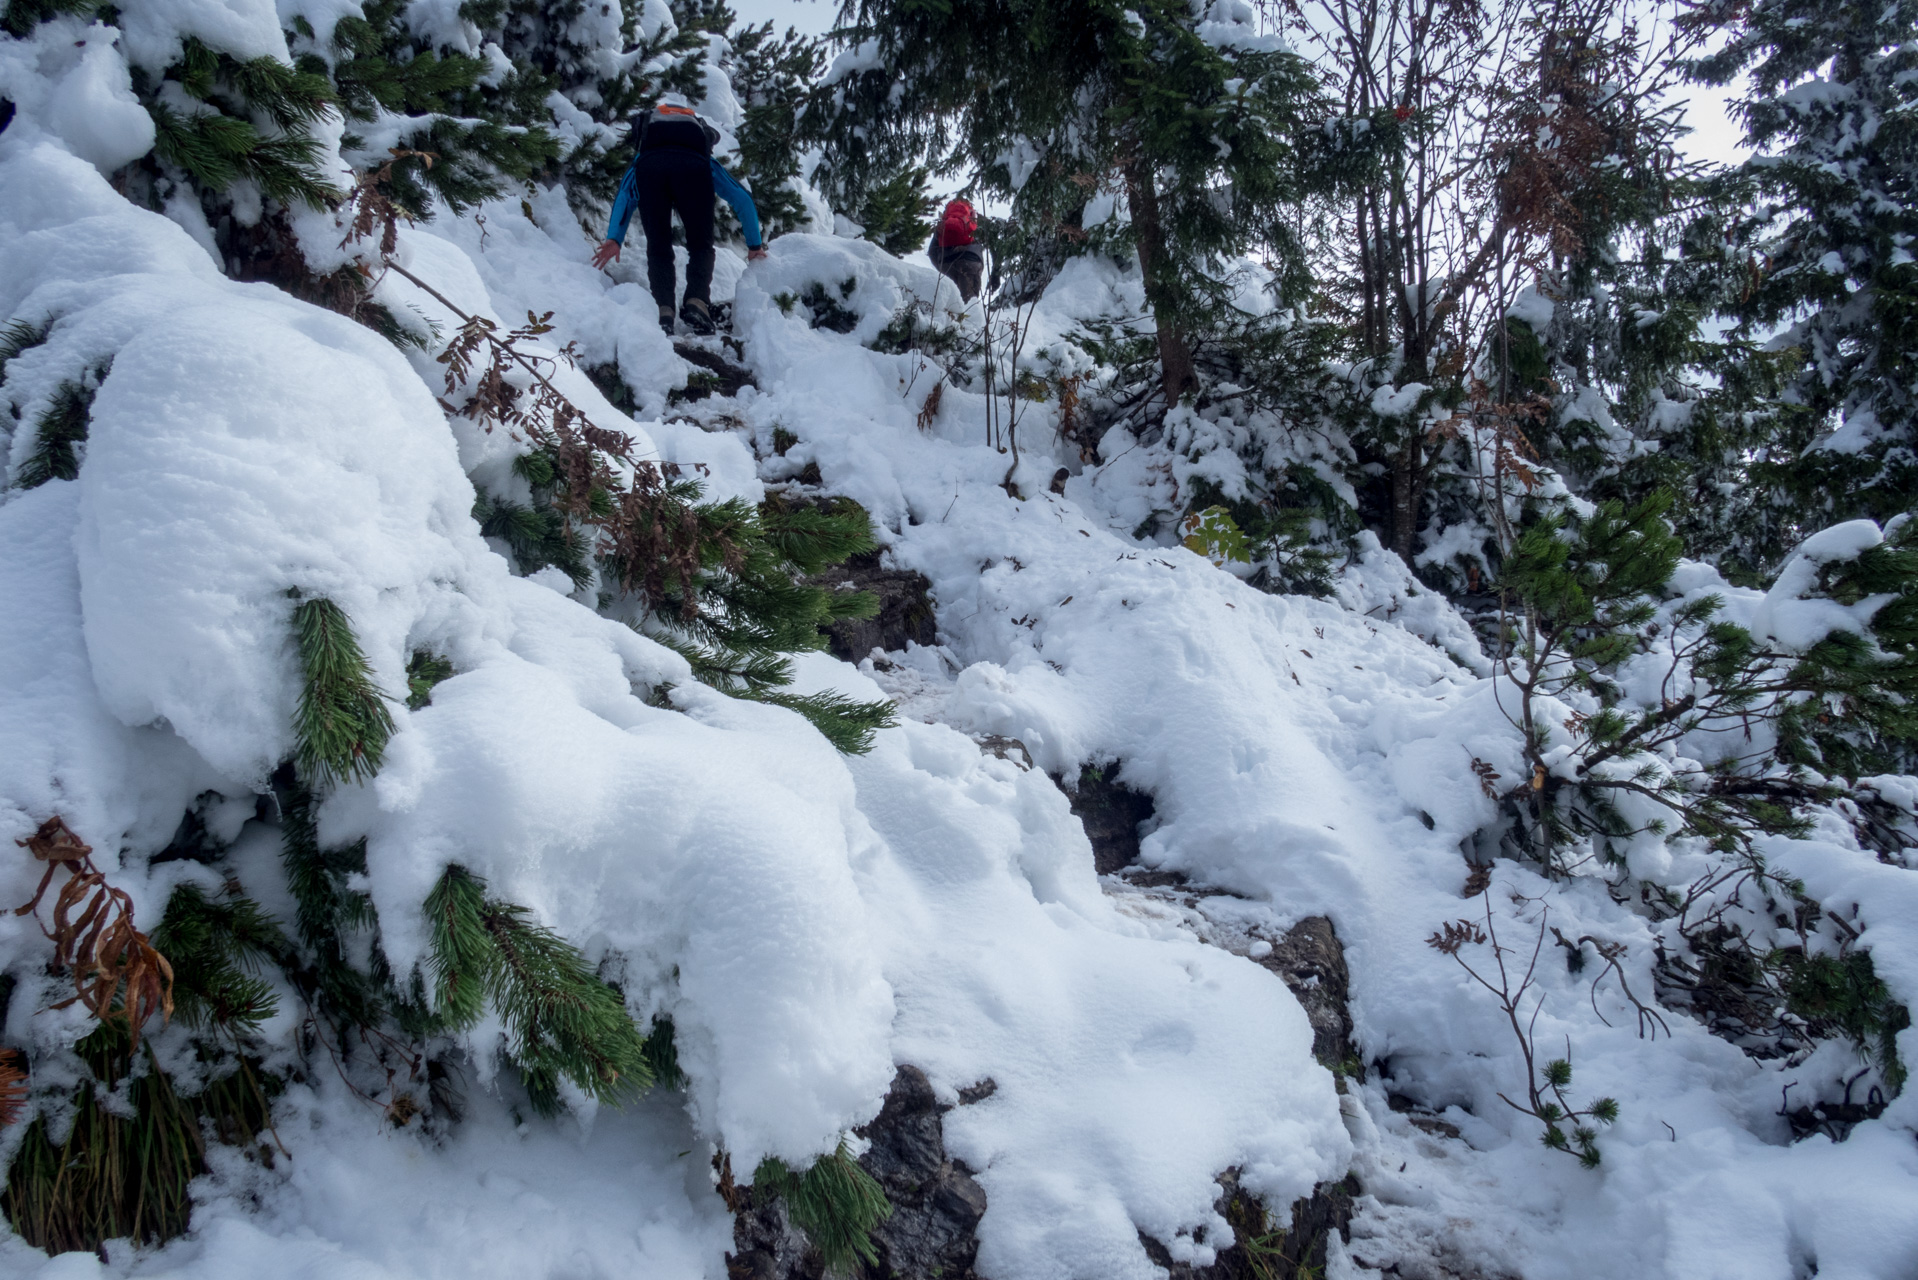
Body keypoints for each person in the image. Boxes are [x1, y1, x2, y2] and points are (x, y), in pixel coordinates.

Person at [593, 94, 767, 336]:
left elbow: (625, 196)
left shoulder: (643, 156)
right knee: (701, 245)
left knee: (658, 247)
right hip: (694, 171)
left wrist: (615, 238)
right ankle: (697, 302)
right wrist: (754, 244)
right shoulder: (703, 157)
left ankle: (663, 310)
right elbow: (743, 199)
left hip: (650, 170)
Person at [926, 198, 983, 303]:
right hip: (970, 263)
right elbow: (988, 246)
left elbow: (932, 251)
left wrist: (941, 266)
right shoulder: (973, 219)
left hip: (947, 263)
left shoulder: (945, 221)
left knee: (951, 304)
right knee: (969, 305)